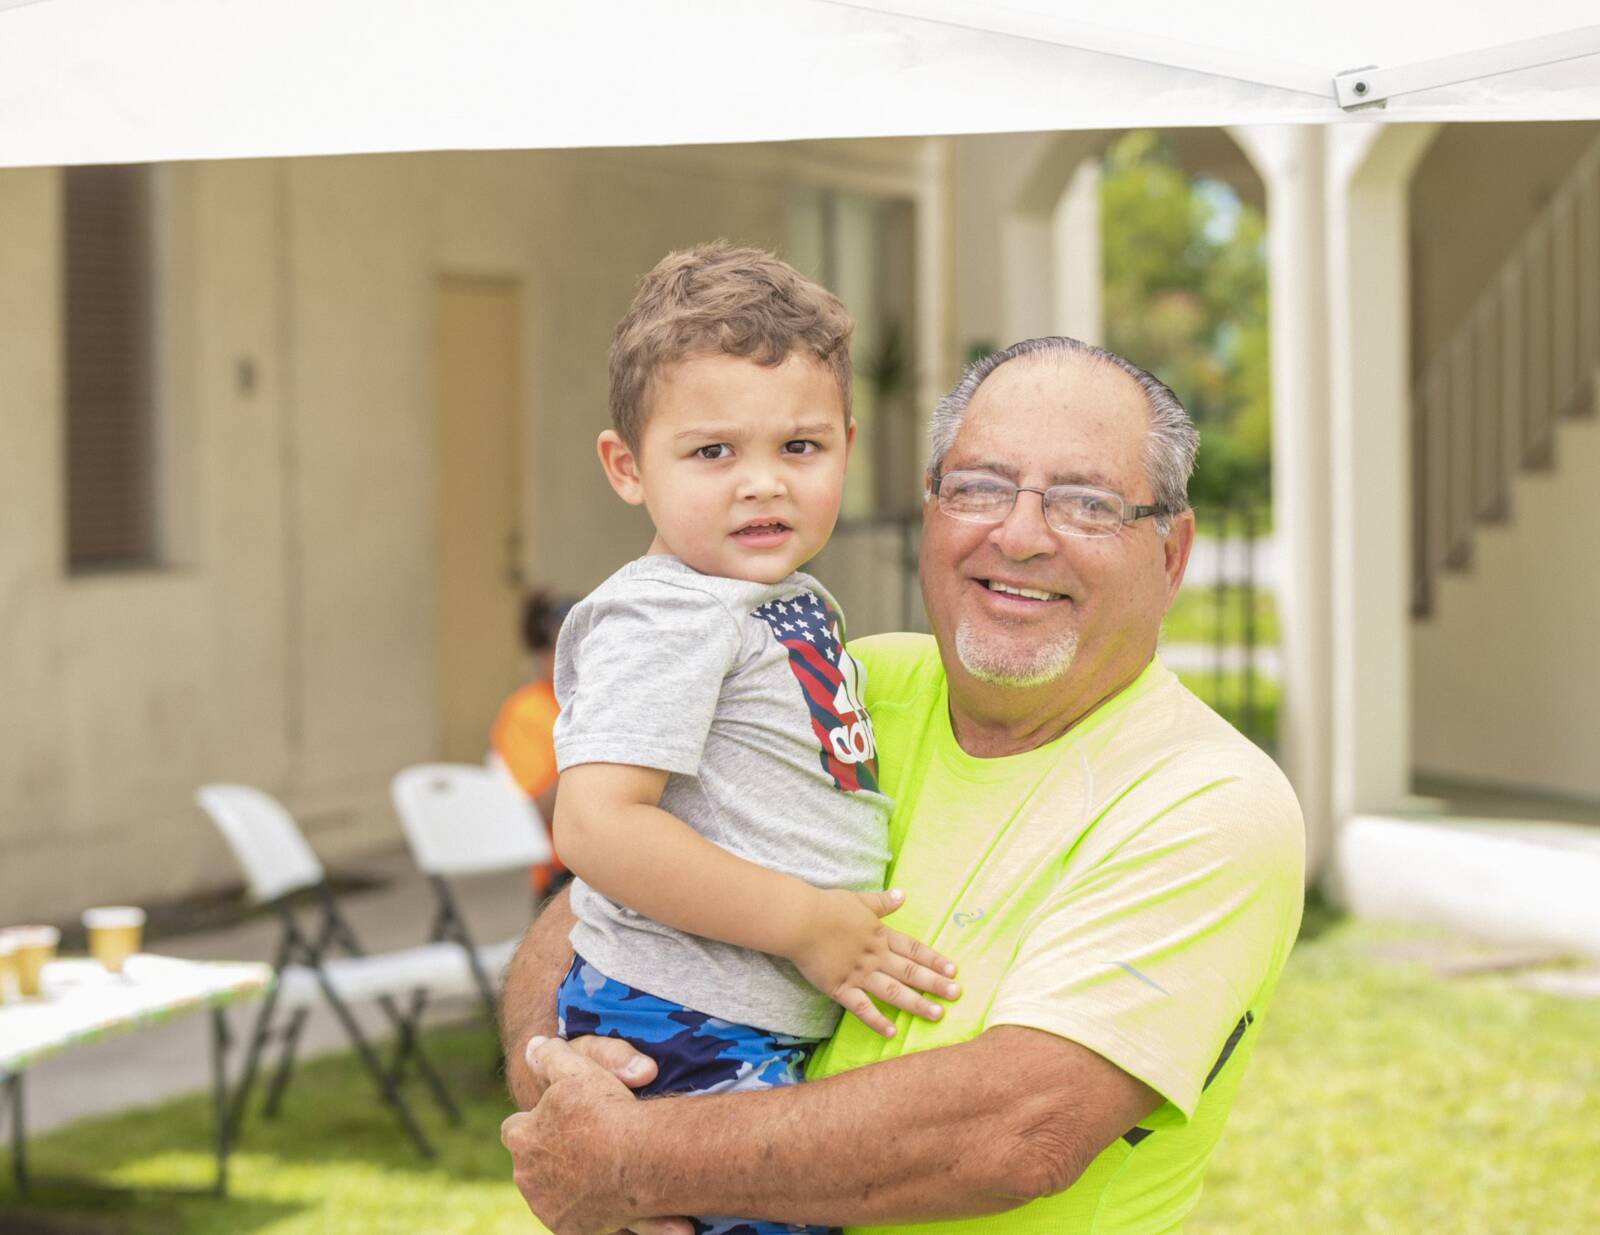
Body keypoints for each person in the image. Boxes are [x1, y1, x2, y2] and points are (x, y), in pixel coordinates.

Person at [499, 335, 1307, 1235]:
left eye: (1087, 503)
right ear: (931, 510)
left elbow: (1023, 1128)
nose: (1021, 534)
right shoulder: (840, 681)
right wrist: (564, 1084)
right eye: (980, 487)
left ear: (1171, 551)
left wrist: (633, 1160)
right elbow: (598, 894)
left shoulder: (1208, 800)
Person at [543, 243, 960, 1235]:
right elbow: (595, 824)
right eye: (712, 452)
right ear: (625, 466)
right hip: (684, 1024)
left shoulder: (774, 597)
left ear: (848, 446)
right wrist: (809, 923)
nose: (762, 484)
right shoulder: (668, 614)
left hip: (738, 1016)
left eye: (800, 449)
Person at [491, 589, 576, 896]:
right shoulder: (526, 710)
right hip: (565, 873)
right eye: (567, 646)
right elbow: (539, 809)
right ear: (543, 654)